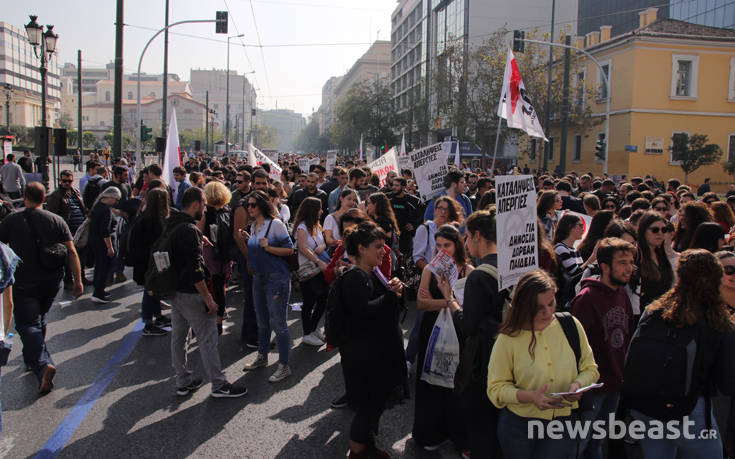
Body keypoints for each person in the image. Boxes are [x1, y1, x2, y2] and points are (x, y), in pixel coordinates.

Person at [629, 250, 735, 458]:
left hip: (646, 407)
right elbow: (727, 382)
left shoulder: (653, 311)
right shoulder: (718, 321)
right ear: (716, 279)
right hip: (690, 409)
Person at [487, 270, 599, 459]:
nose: (547, 312)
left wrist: (578, 385)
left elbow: (590, 369)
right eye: (539, 307)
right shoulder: (508, 338)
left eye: (551, 303)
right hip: (520, 426)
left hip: (563, 423)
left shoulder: (571, 325)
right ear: (524, 307)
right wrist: (530, 397)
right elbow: (496, 389)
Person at [0, 183, 83, 394]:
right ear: (44, 197)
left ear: (25, 196)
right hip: (51, 280)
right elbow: (71, 252)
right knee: (39, 318)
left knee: (27, 324)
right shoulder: (56, 220)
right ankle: (32, 358)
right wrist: (78, 280)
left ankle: (41, 364)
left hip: (24, 280)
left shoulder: (11, 220)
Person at [165, 187, 247, 398]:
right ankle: (219, 385)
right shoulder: (190, 231)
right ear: (195, 205)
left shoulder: (172, 222)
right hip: (191, 293)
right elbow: (195, 271)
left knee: (179, 337)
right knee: (208, 338)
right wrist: (208, 298)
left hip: (174, 290)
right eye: (203, 205)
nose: (205, 209)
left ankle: (182, 381)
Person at [337, 221, 405, 458]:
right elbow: (363, 313)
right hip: (365, 358)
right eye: (378, 246)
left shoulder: (372, 272)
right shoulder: (354, 278)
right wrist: (391, 295)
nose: (384, 250)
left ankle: (368, 446)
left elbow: (384, 306)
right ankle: (357, 453)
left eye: (384, 244)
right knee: (367, 408)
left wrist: (394, 290)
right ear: (361, 249)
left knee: (374, 406)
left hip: (377, 354)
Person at [442, 209, 503, 457]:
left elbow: (467, 325)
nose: (465, 243)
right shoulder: (514, 266)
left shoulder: (479, 276)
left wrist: (450, 299)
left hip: (484, 362)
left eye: (467, 236)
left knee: (481, 425)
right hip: (510, 356)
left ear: (477, 235)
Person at [571, 238, 636, 459]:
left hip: (615, 384)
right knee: (581, 443)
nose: (629, 268)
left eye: (631, 262)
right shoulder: (586, 299)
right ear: (605, 266)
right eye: (622, 262)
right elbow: (575, 346)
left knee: (598, 443)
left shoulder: (622, 293)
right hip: (592, 389)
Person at [412, 224, 473, 452]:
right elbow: (421, 303)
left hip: (458, 329)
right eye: (438, 245)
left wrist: (447, 302)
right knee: (432, 380)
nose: (442, 250)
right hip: (433, 330)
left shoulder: (468, 270)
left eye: (446, 245)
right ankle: (430, 432)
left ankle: (458, 434)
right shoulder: (430, 269)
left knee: (456, 381)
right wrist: (450, 301)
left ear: (457, 244)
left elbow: (470, 307)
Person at [241, 191, 294, 383]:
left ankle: (284, 365)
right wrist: (249, 240)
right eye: (248, 205)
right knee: (262, 321)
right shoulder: (255, 226)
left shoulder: (275, 224)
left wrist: (268, 247)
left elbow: (290, 249)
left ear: (262, 206)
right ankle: (262, 356)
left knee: (278, 322)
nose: (250, 208)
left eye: (253, 205)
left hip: (276, 278)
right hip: (259, 278)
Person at [130, 188, 171, 336]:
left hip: (147, 261)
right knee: (150, 291)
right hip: (150, 262)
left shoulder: (145, 217)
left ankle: (158, 316)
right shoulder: (153, 220)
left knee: (154, 290)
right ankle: (148, 323)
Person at [293, 197, 330, 347]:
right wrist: (317, 261)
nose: (322, 211)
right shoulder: (301, 227)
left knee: (323, 299)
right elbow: (302, 247)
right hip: (308, 269)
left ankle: (313, 328)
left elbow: (322, 241)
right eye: (319, 208)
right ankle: (307, 333)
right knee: (309, 301)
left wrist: (322, 246)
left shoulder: (316, 225)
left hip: (318, 269)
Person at [199, 182, 233, 335]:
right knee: (221, 288)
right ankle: (219, 321)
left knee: (210, 288)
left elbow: (198, 233)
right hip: (225, 255)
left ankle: (211, 319)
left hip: (210, 254)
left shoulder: (205, 212)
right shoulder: (228, 210)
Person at [46, 170, 90, 287]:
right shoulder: (56, 195)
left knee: (81, 254)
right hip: (67, 229)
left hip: (80, 228)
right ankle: (68, 280)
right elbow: (52, 215)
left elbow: (82, 207)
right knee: (69, 256)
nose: (67, 183)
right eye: (64, 181)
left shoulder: (76, 192)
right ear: (60, 180)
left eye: (69, 181)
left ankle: (81, 276)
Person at [637, 211, 675, 311]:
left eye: (664, 230)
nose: (660, 233)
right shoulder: (636, 256)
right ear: (643, 231)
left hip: (661, 314)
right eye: (655, 230)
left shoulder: (662, 255)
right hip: (642, 314)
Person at [389, 177, 420, 259]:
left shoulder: (414, 201)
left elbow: (421, 216)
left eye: (397, 185)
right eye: (393, 185)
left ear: (403, 187)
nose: (394, 187)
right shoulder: (388, 198)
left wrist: (414, 225)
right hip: (392, 236)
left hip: (407, 237)